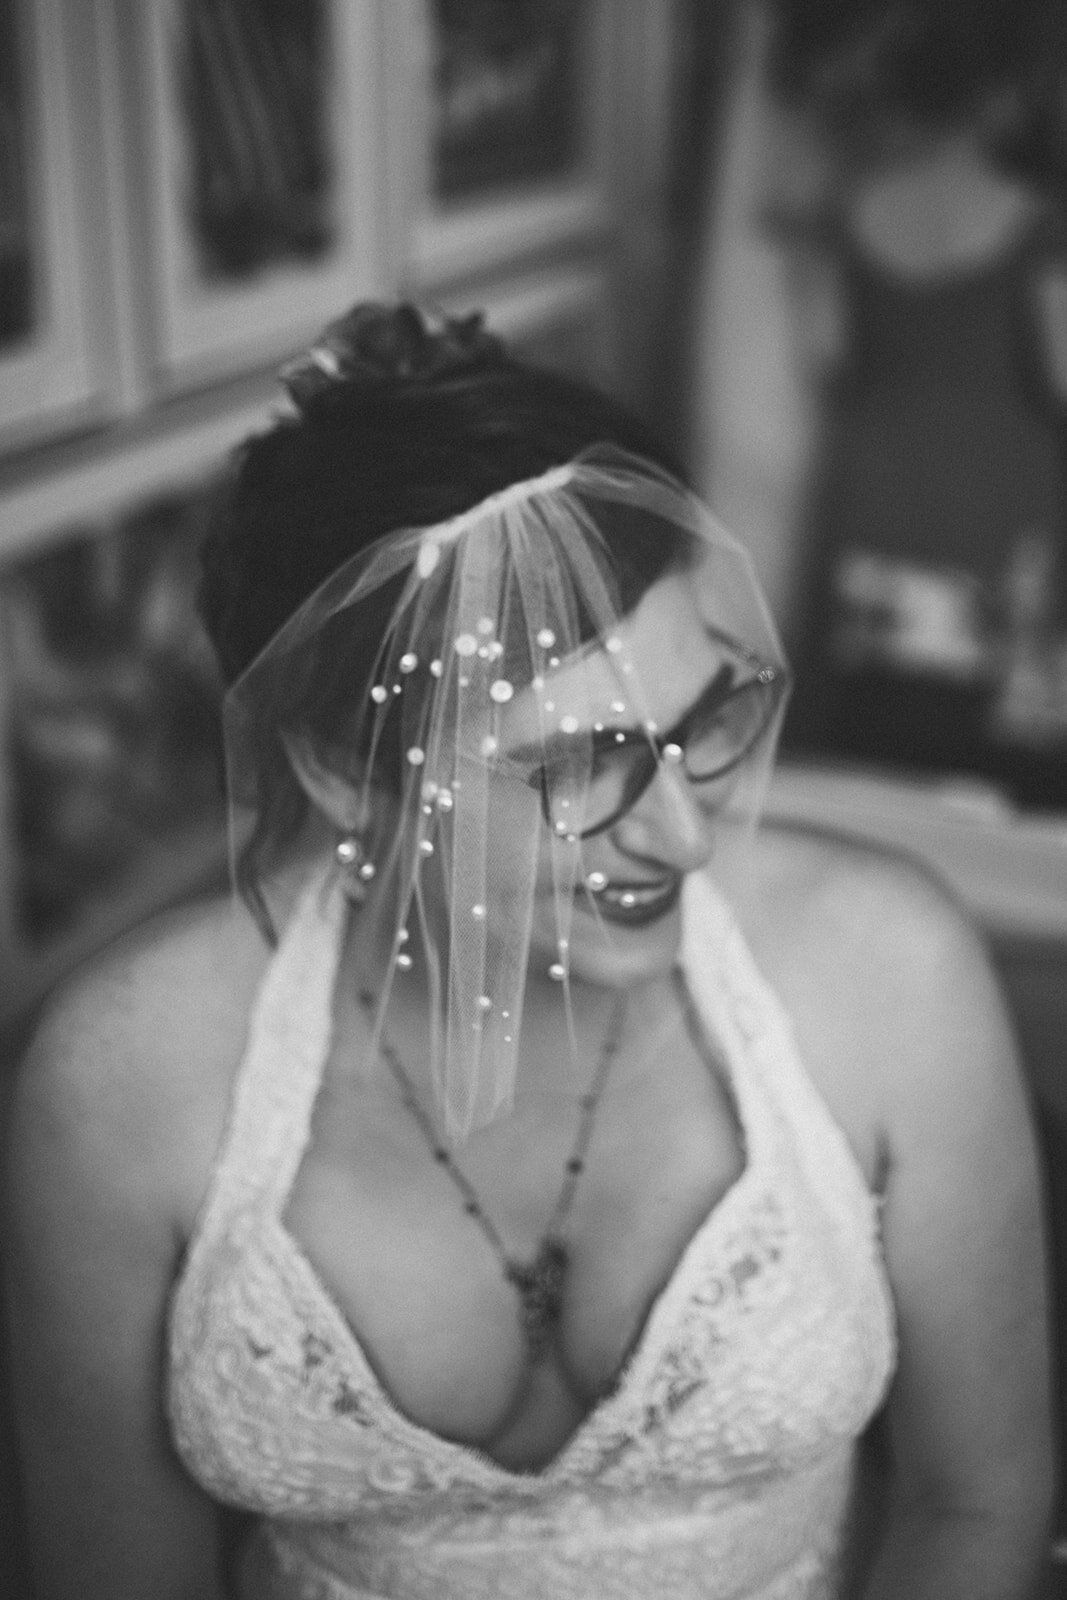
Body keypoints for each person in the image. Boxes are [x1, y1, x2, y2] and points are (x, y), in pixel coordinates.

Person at [3, 301, 1053, 1598]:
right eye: (581, 765)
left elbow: (977, 1499)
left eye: (700, 719)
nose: (680, 834)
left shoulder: (892, 968)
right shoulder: (117, 1082)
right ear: (343, 769)